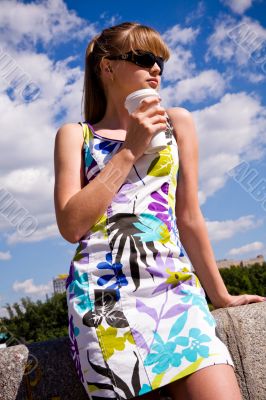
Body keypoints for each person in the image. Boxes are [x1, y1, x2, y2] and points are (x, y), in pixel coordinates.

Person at [53, 21, 265, 400]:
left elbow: (188, 217)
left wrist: (222, 296)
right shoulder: (76, 135)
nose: (156, 69)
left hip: (175, 290)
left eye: (160, 62)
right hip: (104, 297)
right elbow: (71, 225)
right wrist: (130, 150)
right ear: (108, 67)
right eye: (145, 58)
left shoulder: (178, 121)